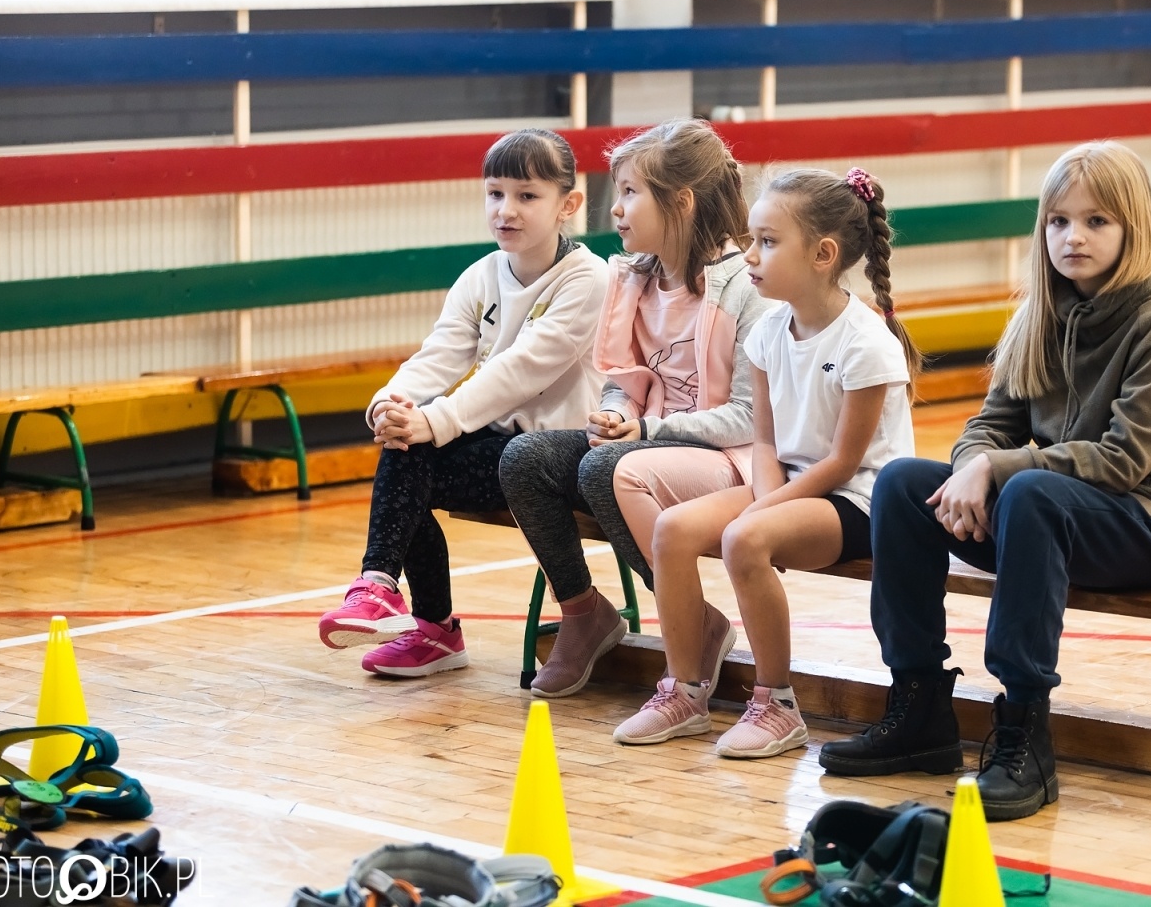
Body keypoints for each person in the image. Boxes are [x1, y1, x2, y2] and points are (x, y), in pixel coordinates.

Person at [818, 141, 1151, 821]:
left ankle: (1026, 734)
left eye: (1096, 221)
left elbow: (1123, 460)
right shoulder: (1039, 314)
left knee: (1031, 492)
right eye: (1059, 221)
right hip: (1056, 514)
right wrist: (973, 467)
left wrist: (996, 469)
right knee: (901, 484)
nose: (1073, 237)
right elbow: (990, 425)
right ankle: (919, 705)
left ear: (1134, 228)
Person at [612, 166, 917, 759]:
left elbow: (843, 461)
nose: (749, 254)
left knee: (744, 539)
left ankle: (777, 704)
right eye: (752, 239)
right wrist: (765, 497)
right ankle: (685, 691)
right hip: (792, 484)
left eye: (768, 242)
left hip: (858, 499)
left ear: (823, 255)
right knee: (673, 530)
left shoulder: (866, 342)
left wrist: (763, 511)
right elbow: (767, 442)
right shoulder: (769, 332)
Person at [316, 129, 607, 677]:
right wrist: (391, 404)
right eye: (495, 193)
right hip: (500, 446)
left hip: (559, 456)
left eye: (526, 195)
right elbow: (439, 354)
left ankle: (421, 620)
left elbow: (520, 370)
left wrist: (435, 419)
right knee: (404, 452)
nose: (506, 210)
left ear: (567, 205)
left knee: (417, 452)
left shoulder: (589, 279)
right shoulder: (482, 273)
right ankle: (390, 596)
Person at [498, 119, 772, 698]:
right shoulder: (632, 279)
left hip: (731, 460)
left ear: (681, 202)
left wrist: (644, 428)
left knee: (606, 467)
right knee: (525, 458)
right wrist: (616, 410)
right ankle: (583, 613)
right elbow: (624, 379)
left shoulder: (746, 288)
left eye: (629, 192)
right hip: (648, 444)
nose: (616, 209)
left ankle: (691, 621)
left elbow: (750, 417)